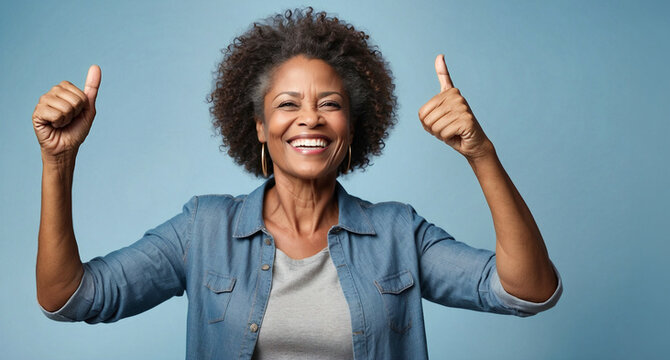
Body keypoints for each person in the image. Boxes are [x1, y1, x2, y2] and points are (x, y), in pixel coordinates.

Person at [33, 7, 561, 359]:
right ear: (260, 129)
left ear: (351, 128)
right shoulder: (203, 229)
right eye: (287, 105)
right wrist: (58, 163)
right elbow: (70, 299)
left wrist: (480, 153)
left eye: (329, 104)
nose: (309, 118)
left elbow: (529, 291)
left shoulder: (399, 232)